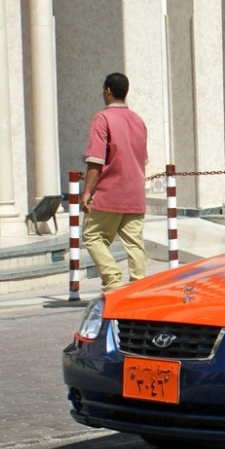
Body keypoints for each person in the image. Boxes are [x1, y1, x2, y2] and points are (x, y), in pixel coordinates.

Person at [82, 72, 149, 292]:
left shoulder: (103, 119)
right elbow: (143, 157)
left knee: (92, 235)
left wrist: (87, 191)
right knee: (134, 241)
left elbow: (96, 160)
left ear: (108, 90)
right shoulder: (138, 120)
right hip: (136, 192)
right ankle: (139, 284)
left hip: (111, 191)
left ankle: (112, 279)